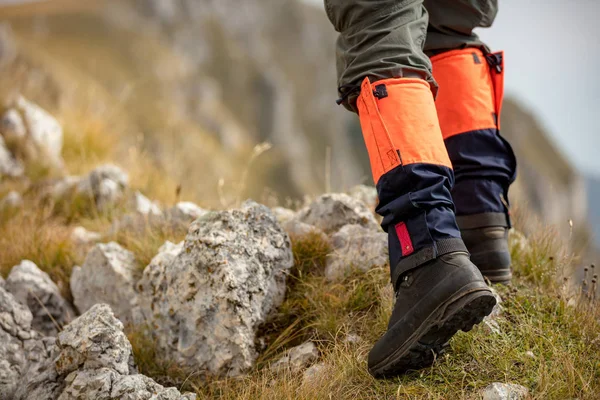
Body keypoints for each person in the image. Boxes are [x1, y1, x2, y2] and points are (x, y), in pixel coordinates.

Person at [324, 0, 517, 378]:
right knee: (450, 16)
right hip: (479, 202)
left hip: (427, 245)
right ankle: (476, 220)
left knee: (380, 15)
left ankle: (428, 253)